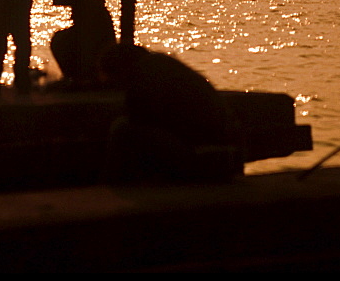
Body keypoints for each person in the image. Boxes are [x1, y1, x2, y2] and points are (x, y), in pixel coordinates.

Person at [99, 44, 242, 184]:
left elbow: (139, 116)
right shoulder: (167, 68)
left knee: (121, 129)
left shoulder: (145, 76)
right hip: (224, 157)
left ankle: (112, 186)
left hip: (205, 159)